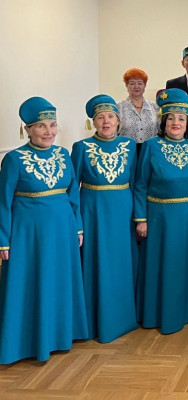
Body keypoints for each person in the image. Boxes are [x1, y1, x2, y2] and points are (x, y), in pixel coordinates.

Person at [0, 97, 88, 363]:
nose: (49, 131)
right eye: (41, 126)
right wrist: (4, 240)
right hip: (29, 237)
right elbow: (3, 202)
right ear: (27, 129)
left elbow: (73, 194)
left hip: (63, 232)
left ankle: (60, 336)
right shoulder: (14, 159)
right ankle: (28, 343)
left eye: (52, 125)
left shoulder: (63, 154)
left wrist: (78, 227)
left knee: (59, 281)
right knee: (33, 283)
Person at [133, 88, 188, 334]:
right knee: (167, 267)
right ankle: (164, 314)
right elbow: (140, 184)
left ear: (187, 122)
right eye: (170, 118)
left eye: (180, 118)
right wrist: (141, 219)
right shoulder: (151, 146)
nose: (175, 123)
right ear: (163, 122)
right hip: (162, 219)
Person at [72, 94, 138, 343]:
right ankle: (95, 321)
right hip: (94, 213)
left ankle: (123, 319)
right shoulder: (81, 147)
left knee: (122, 262)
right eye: (101, 117)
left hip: (123, 212)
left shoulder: (129, 145)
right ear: (94, 122)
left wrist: (138, 216)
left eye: (110, 116)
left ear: (118, 120)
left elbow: (135, 182)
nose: (106, 122)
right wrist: (77, 223)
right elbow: (72, 188)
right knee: (97, 262)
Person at [117, 68, 160, 154]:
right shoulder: (118, 107)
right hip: (126, 152)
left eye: (140, 83)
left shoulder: (155, 107)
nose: (136, 86)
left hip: (150, 152)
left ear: (145, 85)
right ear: (127, 85)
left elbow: (160, 131)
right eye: (132, 83)